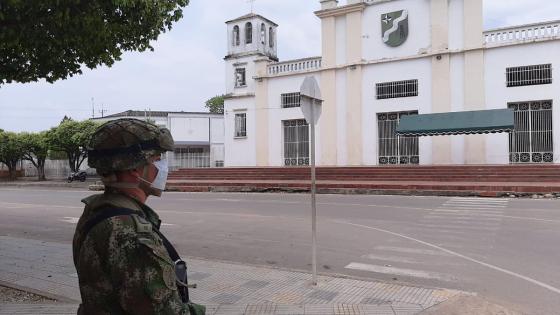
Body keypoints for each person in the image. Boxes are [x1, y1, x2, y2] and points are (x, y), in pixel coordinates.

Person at [72, 118, 205, 314]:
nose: (163, 167)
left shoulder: (98, 211)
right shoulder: (130, 232)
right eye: (157, 159)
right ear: (135, 169)